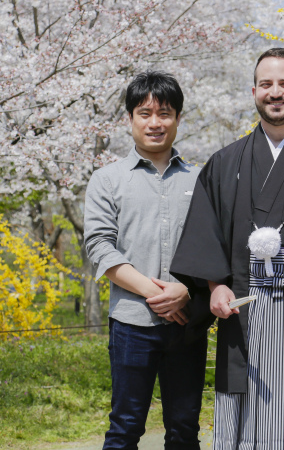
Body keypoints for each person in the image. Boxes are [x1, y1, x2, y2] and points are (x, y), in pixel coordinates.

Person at [169, 48, 284, 449]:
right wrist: (216, 285)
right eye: (268, 84)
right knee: (245, 414)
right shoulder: (224, 163)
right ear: (254, 91)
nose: (277, 93)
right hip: (242, 312)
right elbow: (207, 234)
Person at [84, 71, 206, 449]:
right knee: (125, 427)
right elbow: (100, 247)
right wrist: (157, 293)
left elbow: (213, 247)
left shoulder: (201, 180)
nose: (155, 122)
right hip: (132, 323)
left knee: (184, 430)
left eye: (165, 113)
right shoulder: (107, 179)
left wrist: (186, 291)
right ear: (130, 119)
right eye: (145, 113)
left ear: (178, 118)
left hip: (187, 324)